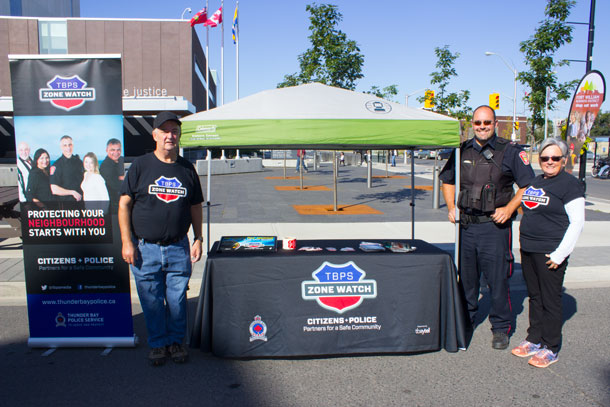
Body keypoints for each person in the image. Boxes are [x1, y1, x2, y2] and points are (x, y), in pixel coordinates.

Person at [440, 105, 535, 350]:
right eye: (478, 123)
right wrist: (451, 207)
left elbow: (527, 186)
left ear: (495, 124)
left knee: (498, 281)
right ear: (472, 124)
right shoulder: (462, 150)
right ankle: (467, 320)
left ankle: (501, 327)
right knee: (467, 281)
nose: (482, 127)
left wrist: (511, 208)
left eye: (487, 123)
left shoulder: (510, 151)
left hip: (495, 227)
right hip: (467, 227)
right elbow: (447, 181)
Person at [119, 111, 203, 366]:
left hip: (178, 247)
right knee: (152, 301)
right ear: (154, 134)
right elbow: (124, 205)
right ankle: (158, 344)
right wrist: (126, 242)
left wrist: (198, 237)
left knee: (177, 300)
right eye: (164, 131)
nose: (170, 135)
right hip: (146, 249)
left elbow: (196, 206)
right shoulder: (141, 166)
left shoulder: (187, 168)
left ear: (179, 136)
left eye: (174, 131)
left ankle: (177, 342)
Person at [511, 138, 584, 368]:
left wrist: (560, 254)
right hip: (529, 248)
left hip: (550, 251)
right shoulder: (536, 180)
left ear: (563, 160)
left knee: (550, 299)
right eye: (545, 158)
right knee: (535, 296)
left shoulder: (569, 184)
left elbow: (577, 223)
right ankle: (534, 339)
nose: (549, 162)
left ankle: (551, 347)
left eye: (555, 158)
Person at [50, 135, 84, 201]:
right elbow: (54, 189)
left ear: (73, 145)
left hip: (82, 202)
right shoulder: (57, 165)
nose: (68, 148)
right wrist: (72, 192)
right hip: (66, 204)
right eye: (65, 145)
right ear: (61, 147)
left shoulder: (79, 162)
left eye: (70, 145)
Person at [99, 138, 125, 213]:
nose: (116, 152)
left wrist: (122, 178)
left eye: (118, 150)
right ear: (107, 150)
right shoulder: (105, 166)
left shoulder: (122, 160)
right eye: (112, 150)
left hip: (124, 202)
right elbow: (116, 186)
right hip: (113, 205)